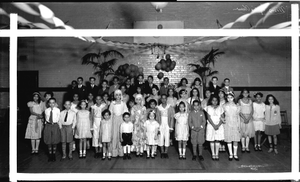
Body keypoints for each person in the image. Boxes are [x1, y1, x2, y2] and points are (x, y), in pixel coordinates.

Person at [109, 89, 129, 157]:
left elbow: (126, 112)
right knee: (114, 135)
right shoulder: (112, 103)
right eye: (116, 95)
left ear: (121, 96)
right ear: (114, 96)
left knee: (121, 135)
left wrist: (125, 120)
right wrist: (110, 121)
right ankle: (114, 151)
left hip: (121, 120)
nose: (118, 96)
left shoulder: (123, 103)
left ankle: (121, 151)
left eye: (119, 95)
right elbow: (110, 112)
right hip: (114, 120)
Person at [222, 91, 240, 161]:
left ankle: (235, 154)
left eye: (231, 97)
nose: (230, 99)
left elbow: (238, 116)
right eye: (228, 97)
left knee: (235, 139)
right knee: (228, 139)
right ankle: (230, 154)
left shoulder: (237, 106)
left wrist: (239, 125)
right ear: (226, 98)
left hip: (235, 123)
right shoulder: (224, 106)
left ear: (233, 97)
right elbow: (221, 114)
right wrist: (222, 119)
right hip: (227, 123)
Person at [205, 95, 224, 160]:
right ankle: (213, 153)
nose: (215, 102)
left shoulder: (220, 108)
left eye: (216, 100)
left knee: (217, 139)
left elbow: (222, 117)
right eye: (213, 100)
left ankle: (217, 154)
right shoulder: (208, 108)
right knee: (212, 139)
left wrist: (218, 125)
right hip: (211, 125)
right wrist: (213, 125)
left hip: (219, 125)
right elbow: (209, 118)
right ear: (211, 101)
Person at [157, 94, 175, 159]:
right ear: (160, 99)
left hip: (167, 125)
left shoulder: (170, 107)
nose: (163, 100)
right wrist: (158, 127)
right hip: (161, 124)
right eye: (162, 98)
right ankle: (162, 152)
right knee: (161, 138)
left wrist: (171, 127)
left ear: (166, 99)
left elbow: (172, 118)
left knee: (167, 138)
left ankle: (166, 152)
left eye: (165, 98)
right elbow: (157, 118)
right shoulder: (158, 108)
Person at [44, 97, 61, 162]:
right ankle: (50, 155)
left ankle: (54, 154)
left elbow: (59, 119)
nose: (51, 104)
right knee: (49, 141)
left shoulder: (57, 110)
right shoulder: (46, 110)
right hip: (48, 125)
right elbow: (46, 118)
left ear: (55, 103)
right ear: (48, 103)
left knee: (54, 141)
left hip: (55, 125)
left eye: (53, 103)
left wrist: (59, 127)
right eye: (50, 103)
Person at [237, 89, 254, 153]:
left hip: (249, 118)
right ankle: (243, 146)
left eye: (247, 93)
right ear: (242, 94)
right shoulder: (240, 101)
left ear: (248, 94)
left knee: (248, 133)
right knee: (243, 133)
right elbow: (239, 111)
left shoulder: (250, 101)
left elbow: (252, 111)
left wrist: (248, 118)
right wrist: (244, 118)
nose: (245, 94)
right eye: (244, 93)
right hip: (242, 118)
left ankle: (247, 146)